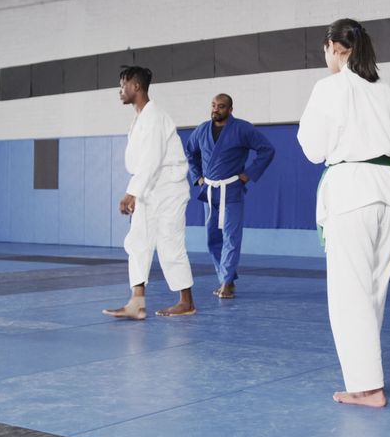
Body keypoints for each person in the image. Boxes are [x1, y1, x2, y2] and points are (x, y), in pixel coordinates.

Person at [297, 18, 390, 408]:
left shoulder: (330, 87)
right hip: (389, 189)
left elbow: (312, 149)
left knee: (349, 292)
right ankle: (367, 378)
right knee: (373, 289)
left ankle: (367, 386)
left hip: (352, 189)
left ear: (332, 46)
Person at [104, 65, 196, 319]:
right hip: (148, 188)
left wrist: (132, 192)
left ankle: (186, 301)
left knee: (169, 243)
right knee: (138, 242)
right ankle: (137, 302)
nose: (120, 90)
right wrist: (137, 190)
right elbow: (143, 163)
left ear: (136, 86)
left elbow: (153, 159)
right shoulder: (140, 118)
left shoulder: (155, 116)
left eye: (123, 84)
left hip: (168, 189)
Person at [184, 93, 275, 299]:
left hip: (231, 190)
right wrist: (197, 176)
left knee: (231, 237)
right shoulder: (201, 130)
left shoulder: (242, 128)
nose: (216, 109)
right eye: (214, 105)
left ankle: (225, 283)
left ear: (230, 109)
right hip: (209, 192)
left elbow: (267, 149)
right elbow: (190, 152)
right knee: (212, 239)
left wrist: (249, 174)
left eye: (221, 106)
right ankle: (229, 277)